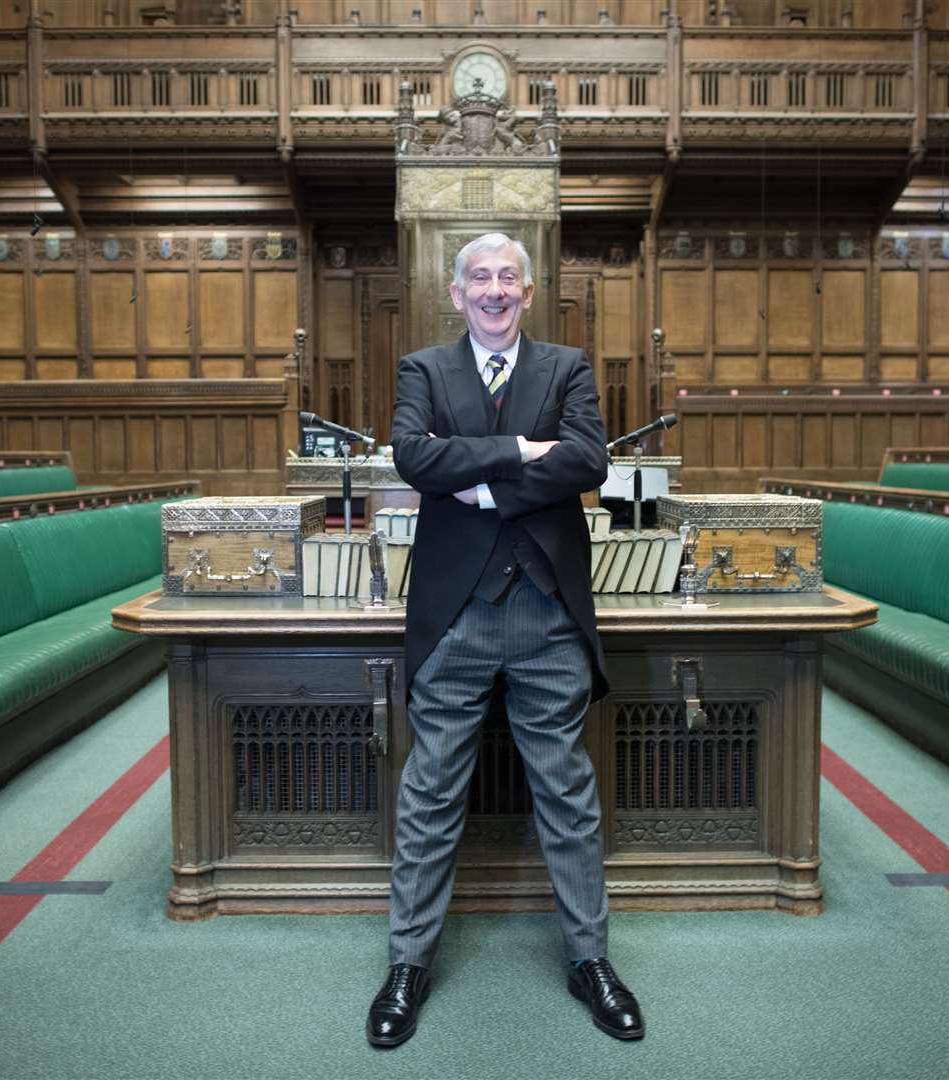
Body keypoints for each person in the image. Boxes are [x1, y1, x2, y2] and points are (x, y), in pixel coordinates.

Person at [367, 233, 644, 1047]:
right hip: (454, 614)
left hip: (548, 613)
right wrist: (522, 452)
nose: (493, 291)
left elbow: (589, 459)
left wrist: (475, 479)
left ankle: (590, 960)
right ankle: (408, 963)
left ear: (529, 293)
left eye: (507, 280)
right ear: (455, 294)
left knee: (566, 792)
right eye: (478, 278)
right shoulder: (425, 369)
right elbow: (414, 457)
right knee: (430, 792)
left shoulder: (567, 368)